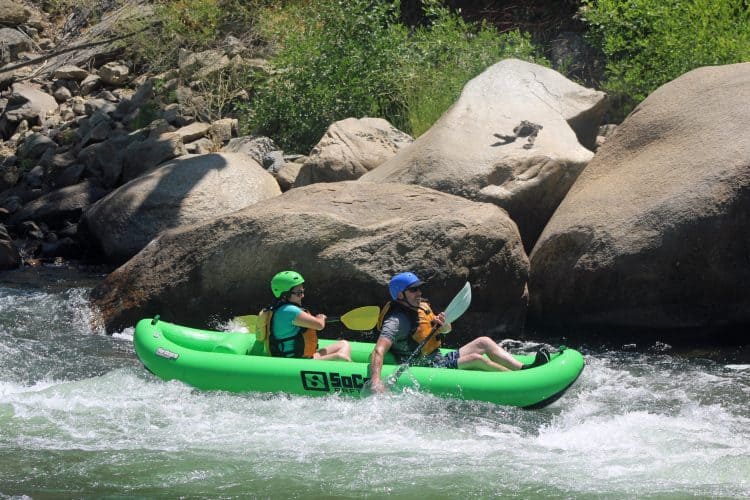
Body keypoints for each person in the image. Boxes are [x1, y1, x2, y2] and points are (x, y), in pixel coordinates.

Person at [369, 272, 549, 393]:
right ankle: (519, 382)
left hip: (437, 358)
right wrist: (376, 381)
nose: (419, 292)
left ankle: (524, 369)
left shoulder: (420, 307)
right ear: (400, 295)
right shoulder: (397, 320)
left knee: (483, 341)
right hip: (423, 366)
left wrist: (442, 325)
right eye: (413, 290)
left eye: (419, 288)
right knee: (476, 359)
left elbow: (445, 331)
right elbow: (379, 350)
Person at [262, 270, 351, 361]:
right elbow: (319, 325)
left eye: (302, 291)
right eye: (299, 293)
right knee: (340, 357)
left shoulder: (279, 309)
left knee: (344, 344)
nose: (303, 295)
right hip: (294, 362)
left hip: (305, 358)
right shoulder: (289, 311)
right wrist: (321, 318)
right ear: (285, 295)